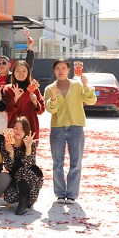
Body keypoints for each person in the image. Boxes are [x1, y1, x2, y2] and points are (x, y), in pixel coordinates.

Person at [44, 58, 96, 204]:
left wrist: (86, 85)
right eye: (57, 68)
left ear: (68, 70)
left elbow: (91, 100)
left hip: (76, 128)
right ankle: (60, 194)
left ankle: (72, 194)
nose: (60, 71)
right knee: (57, 163)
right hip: (58, 129)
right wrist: (53, 97)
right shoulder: (49, 89)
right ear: (54, 71)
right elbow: (51, 109)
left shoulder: (78, 85)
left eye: (63, 68)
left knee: (76, 163)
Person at [0, 116, 43, 215]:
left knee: (24, 170)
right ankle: (22, 200)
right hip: (15, 178)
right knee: (9, 197)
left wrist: (28, 148)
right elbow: (9, 167)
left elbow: (28, 164)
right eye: (16, 128)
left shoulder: (30, 143)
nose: (18, 131)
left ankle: (22, 203)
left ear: (26, 131)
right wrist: (10, 153)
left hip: (31, 178)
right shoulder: (6, 143)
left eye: (22, 129)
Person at [3, 60, 45, 143]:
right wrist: (15, 98)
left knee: (29, 149)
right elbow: (7, 109)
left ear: (28, 73)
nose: (21, 73)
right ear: (13, 73)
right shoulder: (8, 89)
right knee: (11, 149)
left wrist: (35, 102)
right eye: (18, 71)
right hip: (13, 127)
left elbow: (41, 110)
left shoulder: (34, 89)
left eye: (24, 71)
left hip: (30, 126)